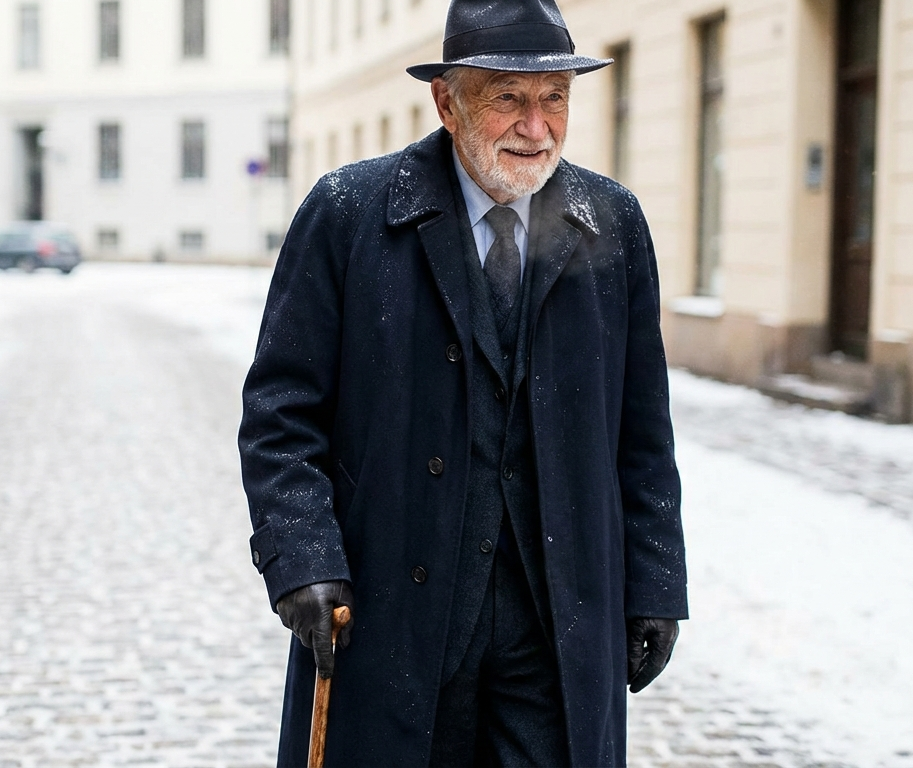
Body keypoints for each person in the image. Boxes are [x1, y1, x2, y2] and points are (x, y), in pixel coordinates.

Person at [238, 0, 688, 765]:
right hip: (393, 612)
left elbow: (641, 431)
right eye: (507, 97)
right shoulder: (348, 215)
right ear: (446, 102)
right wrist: (303, 558)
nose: (535, 127)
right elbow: (280, 413)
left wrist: (654, 583)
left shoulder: (612, 222)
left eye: (553, 99)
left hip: (555, 622)